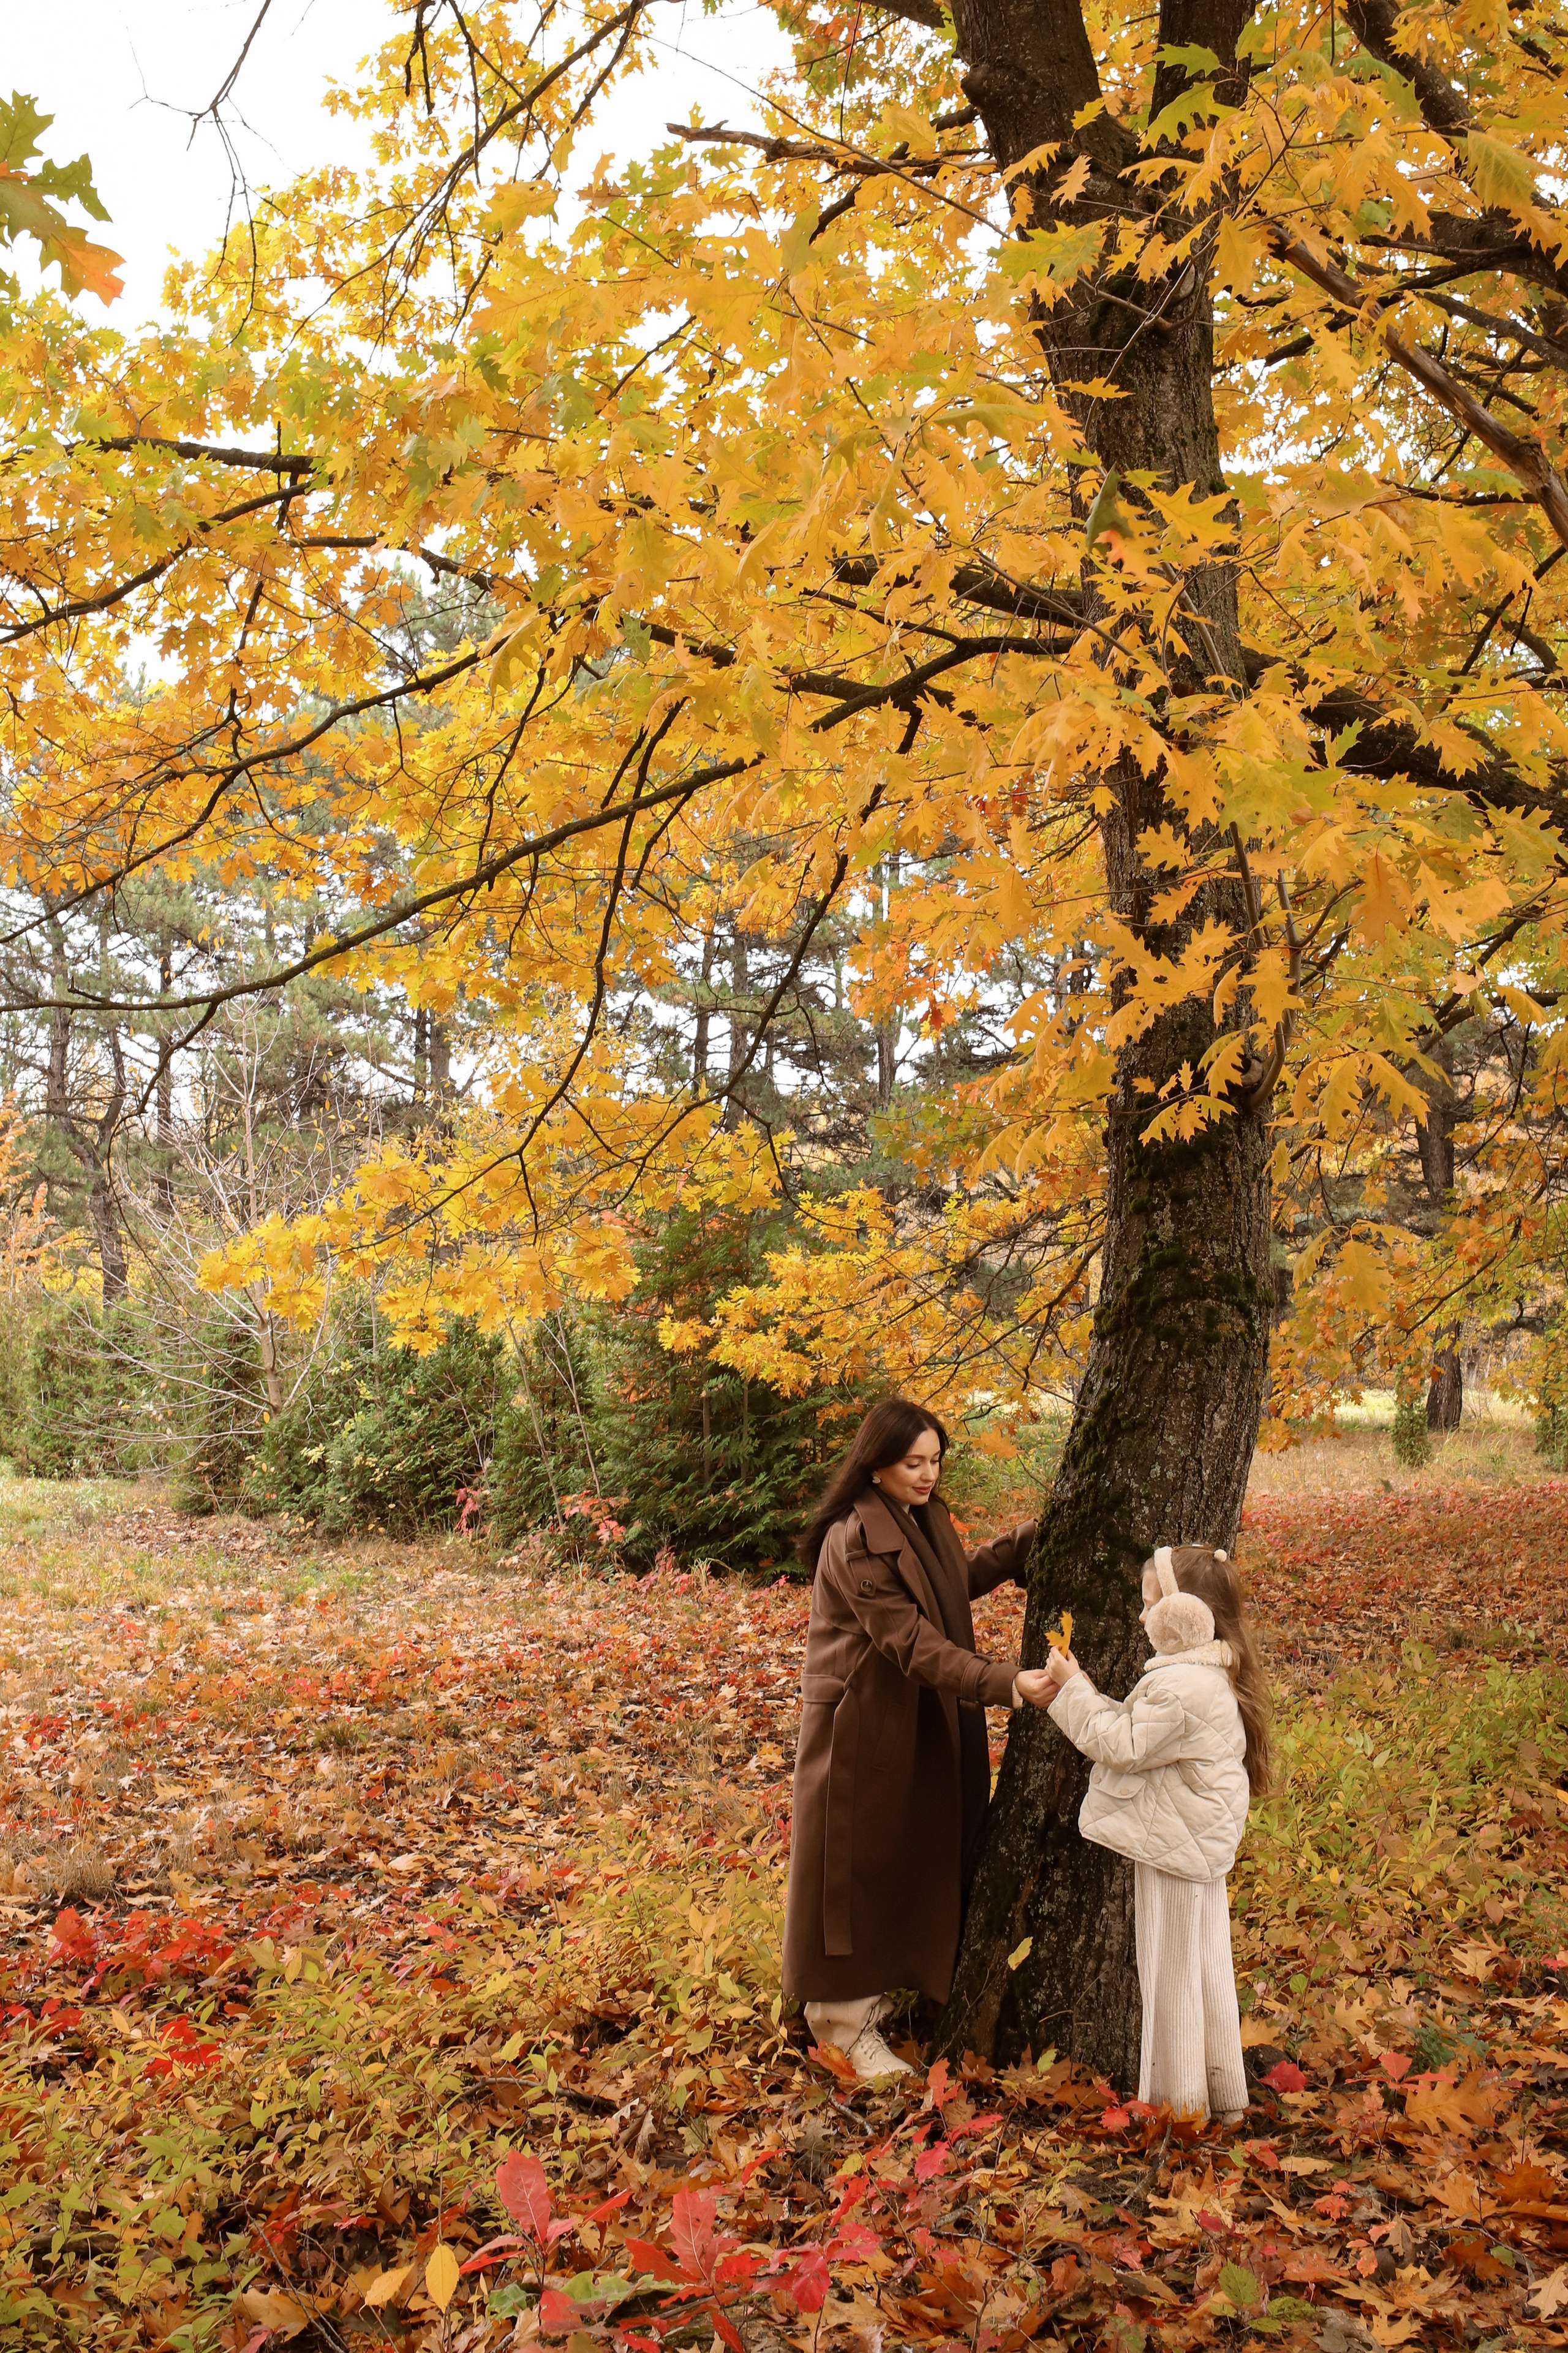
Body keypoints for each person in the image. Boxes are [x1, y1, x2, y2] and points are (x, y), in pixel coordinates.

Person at [782, 1397, 1057, 2082]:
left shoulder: (921, 1516)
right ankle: (841, 2025)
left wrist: (1019, 1546)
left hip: (916, 1720)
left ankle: (896, 1992)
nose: (928, 1474)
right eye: (913, 1462)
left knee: (915, 1851)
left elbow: (947, 1588)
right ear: (875, 1464)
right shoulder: (854, 1538)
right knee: (854, 1866)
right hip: (860, 1725)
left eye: (935, 1460)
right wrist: (1005, 1682)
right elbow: (910, 1640)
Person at [1041, 1543, 1272, 2124]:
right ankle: (1223, 2094)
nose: (1142, 1618)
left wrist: (1071, 1688)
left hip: (1175, 1850)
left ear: (1185, 1615)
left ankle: (1177, 2108)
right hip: (1196, 1845)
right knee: (1207, 1967)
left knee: (1170, 1971)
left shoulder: (1180, 1688)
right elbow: (1139, 1731)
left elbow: (1120, 1744)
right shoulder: (1207, 1673)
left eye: (1151, 1605)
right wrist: (1088, 1690)